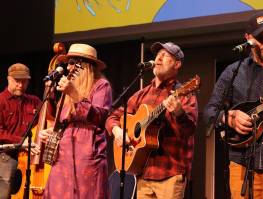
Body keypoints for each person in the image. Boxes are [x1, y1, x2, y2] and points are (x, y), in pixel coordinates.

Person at [203, 11, 263, 198]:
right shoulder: (234, 71)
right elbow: (209, 111)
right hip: (242, 165)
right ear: (248, 39)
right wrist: (229, 118)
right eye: (260, 37)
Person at [105, 42, 198, 199]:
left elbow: (189, 129)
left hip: (170, 172)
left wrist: (178, 111)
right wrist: (117, 131)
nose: (159, 58)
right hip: (143, 173)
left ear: (177, 64)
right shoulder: (141, 94)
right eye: (158, 54)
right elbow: (113, 117)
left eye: (166, 55)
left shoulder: (184, 93)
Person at [39, 43, 112, 198]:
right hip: (63, 155)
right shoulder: (68, 90)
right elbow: (62, 121)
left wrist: (74, 93)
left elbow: (99, 116)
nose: (69, 68)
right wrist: (52, 131)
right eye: (68, 63)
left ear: (84, 65)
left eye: (72, 63)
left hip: (86, 156)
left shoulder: (101, 85)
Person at [0, 63, 41, 199]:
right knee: (4, 193)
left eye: (24, 82)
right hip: (6, 156)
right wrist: (22, 142)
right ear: (8, 79)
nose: (21, 85)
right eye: (17, 81)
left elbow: (48, 119)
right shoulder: (1, 101)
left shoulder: (34, 101)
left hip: (30, 156)